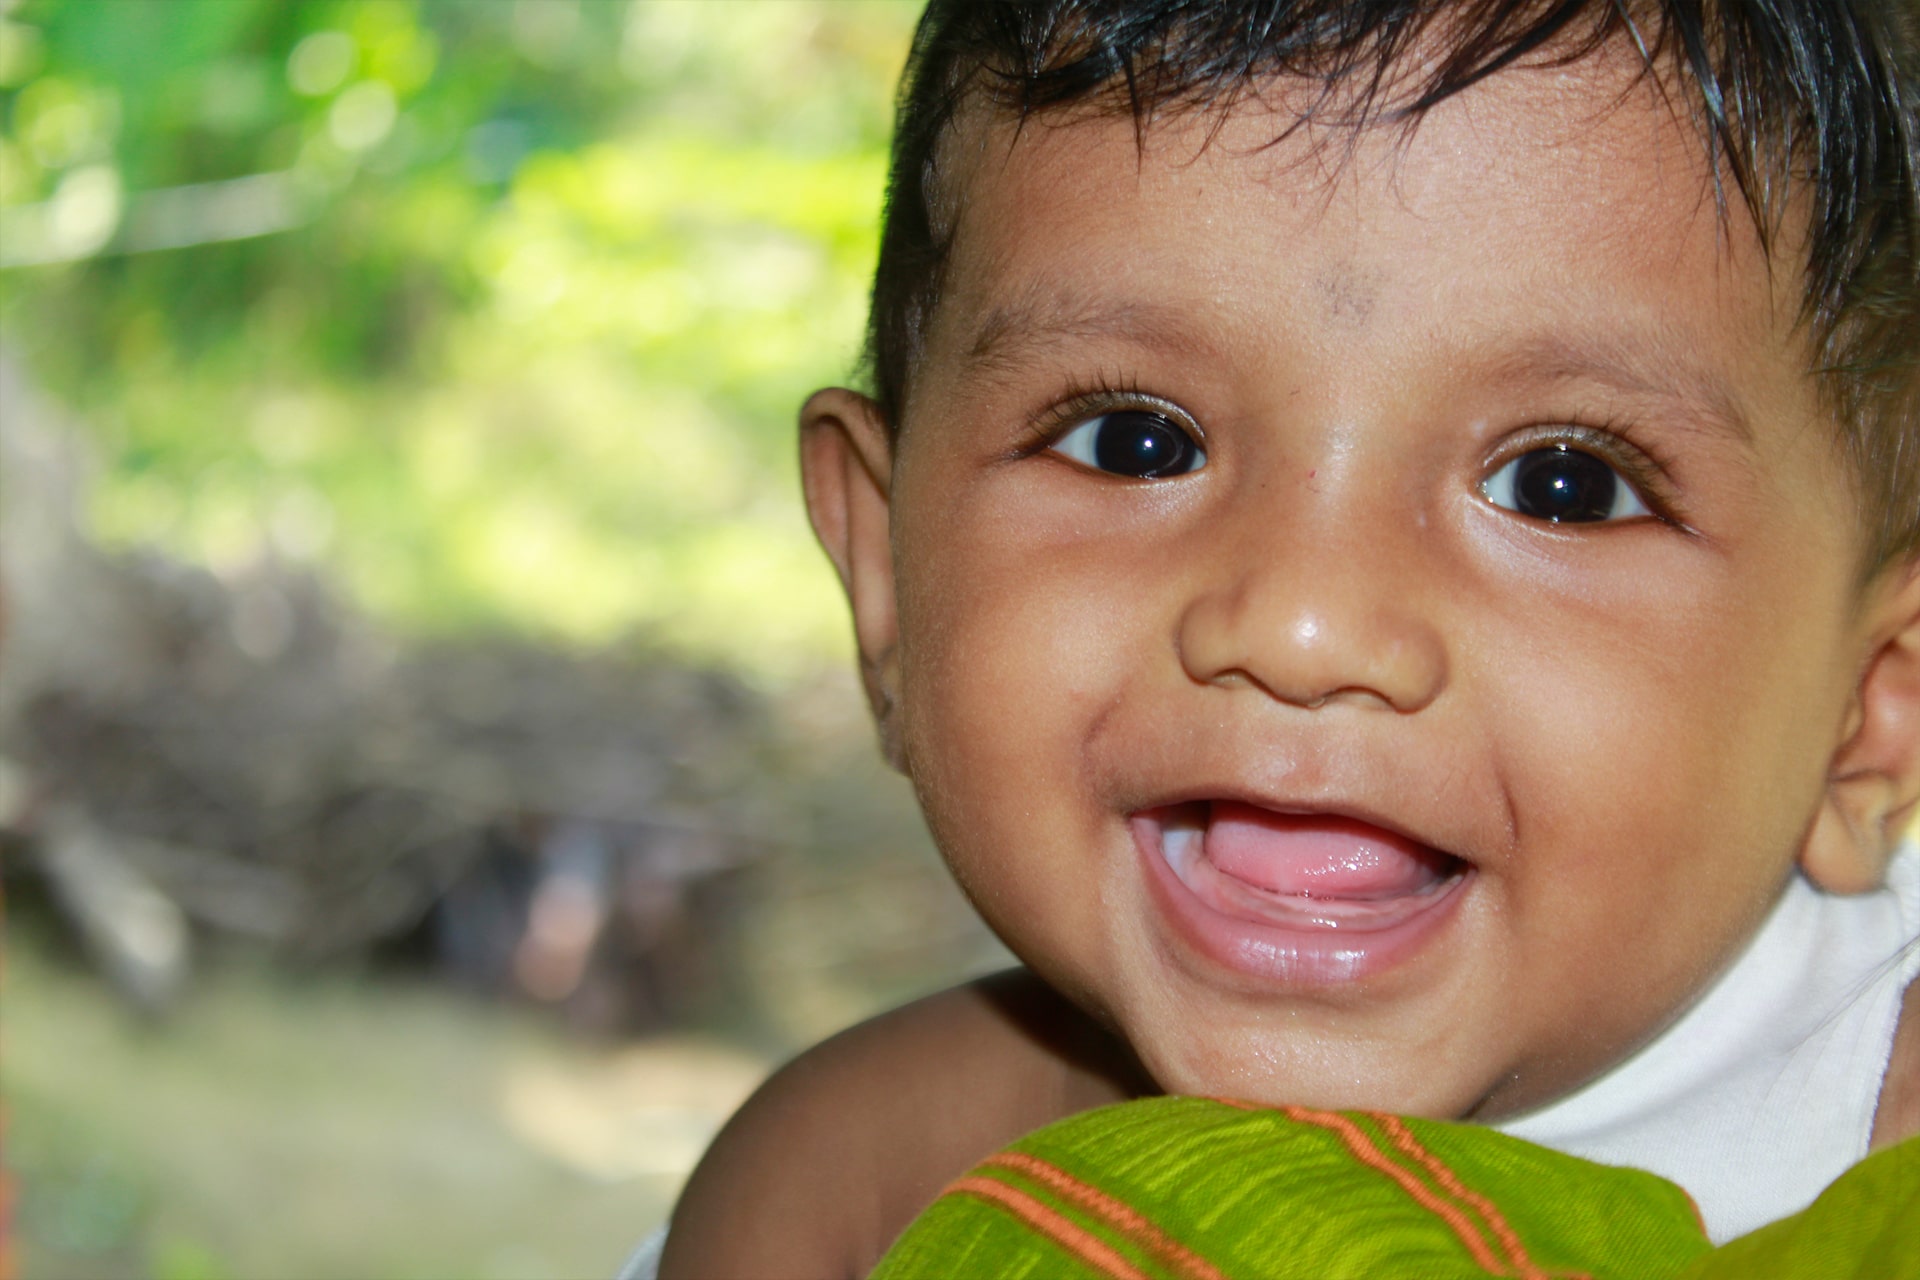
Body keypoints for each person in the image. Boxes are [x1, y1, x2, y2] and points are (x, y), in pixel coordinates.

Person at [649, 2, 1920, 1275]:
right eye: (1135, 441)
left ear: (1876, 709)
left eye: (1563, 486)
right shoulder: (850, 1191)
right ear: (884, 575)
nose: (1303, 625)